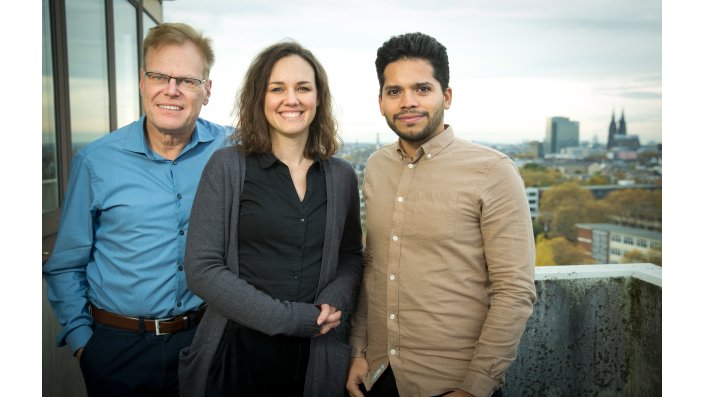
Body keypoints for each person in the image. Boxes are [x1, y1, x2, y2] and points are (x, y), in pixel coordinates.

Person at [346, 32, 537, 397]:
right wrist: (358, 351)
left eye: (422, 89)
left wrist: (475, 387)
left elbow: (515, 291)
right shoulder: (375, 167)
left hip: (451, 383)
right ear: (381, 101)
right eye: (394, 91)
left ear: (445, 97)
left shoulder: (493, 171)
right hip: (379, 375)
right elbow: (374, 267)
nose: (408, 102)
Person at [43, 23, 228, 397]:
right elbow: (66, 264)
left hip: (205, 341)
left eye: (187, 80)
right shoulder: (96, 162)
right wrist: (85, 346)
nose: (171, 89)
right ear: (142, 82)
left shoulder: (233, 151)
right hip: (117, 351)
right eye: (158, 75)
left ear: (207, 90)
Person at [178, 40, 364, 397]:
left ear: (319, 97)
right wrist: (293, 319)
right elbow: (201, 268)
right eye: (277, 88)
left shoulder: (341, 176)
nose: (290, 99)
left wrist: (334, 298)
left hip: (315, 355)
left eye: (303, 88)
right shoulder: (228, 167)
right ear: (259, 98)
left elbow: (350, 255)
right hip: (236, 355)